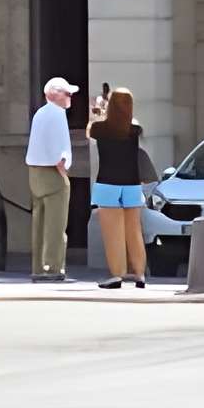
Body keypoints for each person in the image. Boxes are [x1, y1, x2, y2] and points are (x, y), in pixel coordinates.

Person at [87, 85, 149, 290]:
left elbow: (91, 129)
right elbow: (128, 123)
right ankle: (140, 273)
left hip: (108, 183)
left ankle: (117, 274)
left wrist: (98, 109)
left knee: (113, 232)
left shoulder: (101, 129)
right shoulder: (134, 130)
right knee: (134, 230)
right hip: (131, 184)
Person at [25, 74, 76, 282]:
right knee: (55, 224)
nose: (70, 96)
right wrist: (63, 170)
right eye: (67, 93)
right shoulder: (57, 114)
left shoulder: (40, 113)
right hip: (51, 172)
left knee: (39, 222)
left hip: (35, 171)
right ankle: (52, 267)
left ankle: (39, 266)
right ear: (55, 95)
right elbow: (59, 150)